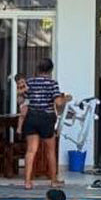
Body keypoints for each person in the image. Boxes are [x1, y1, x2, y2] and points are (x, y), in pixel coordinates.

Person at [23, 58, 70, 190]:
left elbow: (22, 99)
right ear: (50, 70)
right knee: (50, 151)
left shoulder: (30, 82)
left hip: (32, 116)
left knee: (31, 150)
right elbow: (58, 103)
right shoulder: (52, 83)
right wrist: (66, 98)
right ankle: (53, 181)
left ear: (38, 69)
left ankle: (27, 182)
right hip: (46, 118)